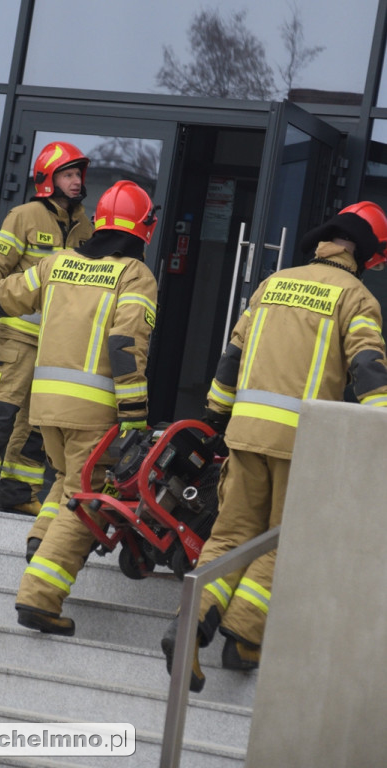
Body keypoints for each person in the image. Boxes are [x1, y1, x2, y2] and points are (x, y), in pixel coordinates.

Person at [161, 200, 387, 692]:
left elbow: (230, 359)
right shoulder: (356, 298)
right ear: (365, 255)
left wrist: (216, 418)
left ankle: (189, 624)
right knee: (286, 540)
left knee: (229, 536)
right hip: (302, 444)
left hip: (245, 433)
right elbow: (369, 370)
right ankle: (242, 638)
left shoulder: (271, 284)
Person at [0, 179, 159, 635]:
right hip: (93, 412)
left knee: (69, 481)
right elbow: (126, 344)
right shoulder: (134, 275)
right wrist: (134, 416)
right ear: (143, 228)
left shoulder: (58, 263)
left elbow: (4, 294)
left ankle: (38, 540)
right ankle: (41, 598)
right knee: (89, 498)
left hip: (46, 406)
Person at [0, 141, 93, 515]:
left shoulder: (86, 225)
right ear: (49, 179)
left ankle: (18, 493)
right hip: (16, 339)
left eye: (78, 173)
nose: (76, 180)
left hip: (57, 346)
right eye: (68, 174)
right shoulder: (25, 216)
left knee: (37, 425)